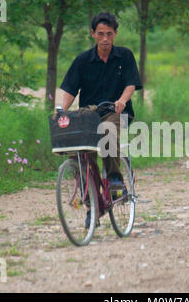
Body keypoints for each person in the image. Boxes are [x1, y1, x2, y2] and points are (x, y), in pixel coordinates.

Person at [60, 12, 142, 191]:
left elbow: (131, 84)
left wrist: (122, 100)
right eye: (101, 34)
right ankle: (89, 187)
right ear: (93, 34)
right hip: (89, 114)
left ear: (115, 34)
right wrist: (61, 110)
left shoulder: (125, 56)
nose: (105, 39)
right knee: (78, 149)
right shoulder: (83, 60)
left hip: (117, 112)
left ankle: (114, 177)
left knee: (107, 131)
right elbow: (70, 89)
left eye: (109, 34)